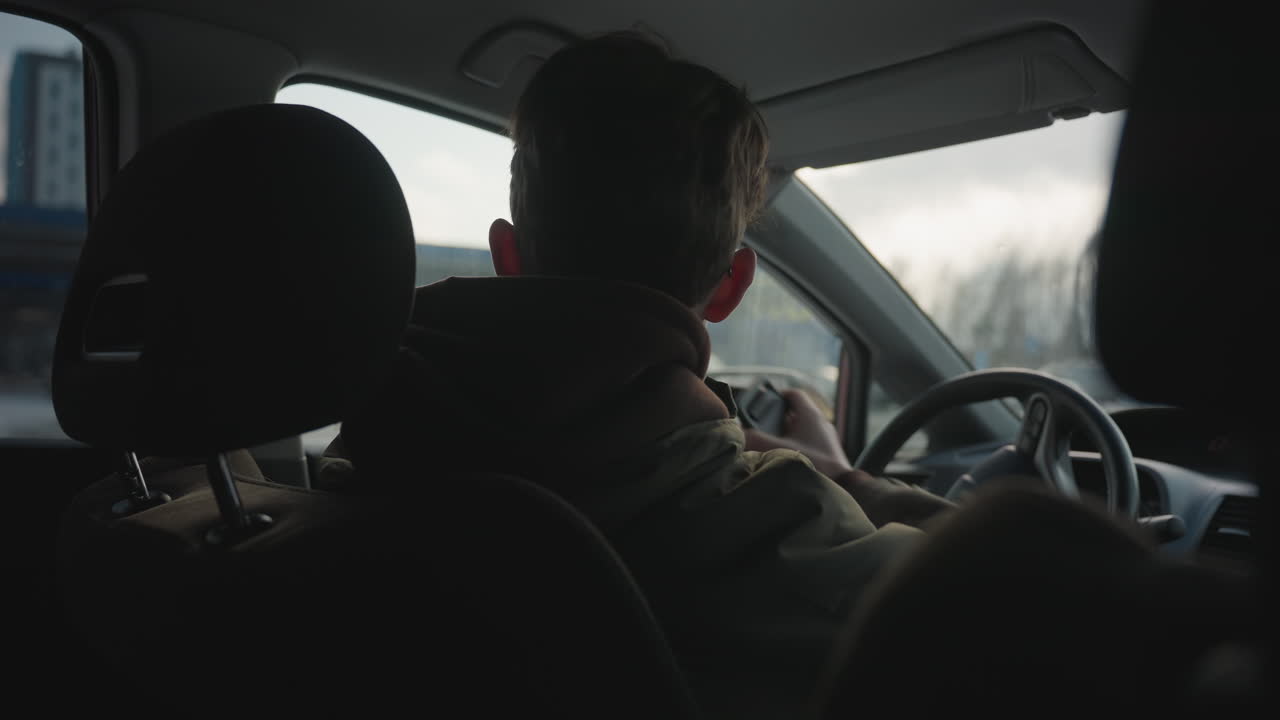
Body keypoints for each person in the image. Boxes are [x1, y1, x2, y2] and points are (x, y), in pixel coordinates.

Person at [326, 32, 954, 719]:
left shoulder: (360, 457)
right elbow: (1029, 601)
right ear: (730, 287)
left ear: (508, 253)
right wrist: (845, 477)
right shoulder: (774, 531)